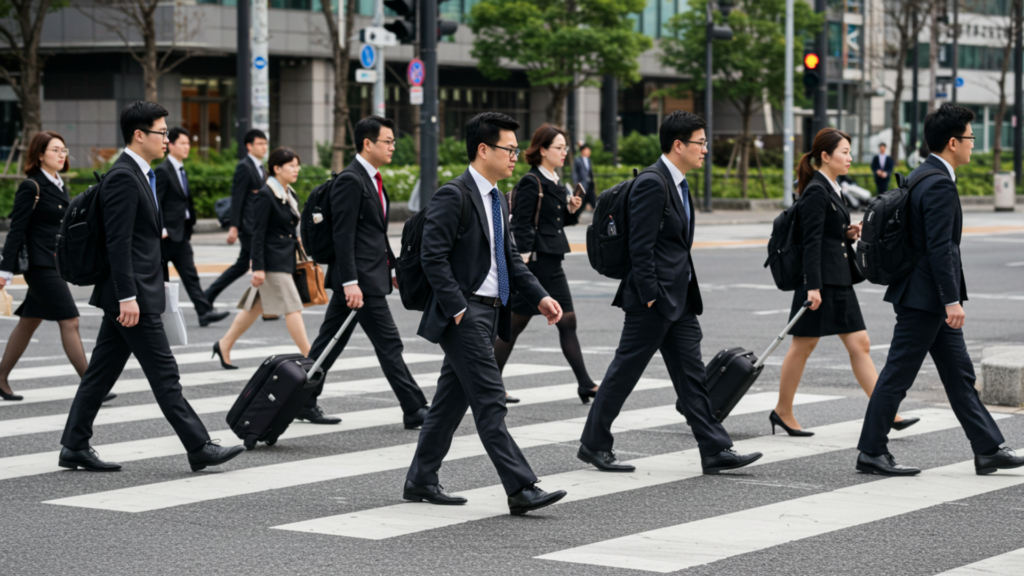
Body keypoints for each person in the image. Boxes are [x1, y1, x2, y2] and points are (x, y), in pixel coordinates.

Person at [59, 101, 244, 472]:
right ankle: (198, 445)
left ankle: (74, 445)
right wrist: (128, 296)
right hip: (132, 296)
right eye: (161, 132)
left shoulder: (140, 173)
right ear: (139, 135)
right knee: (165, 373)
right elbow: (118, 242)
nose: (166, 138)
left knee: (100, 374)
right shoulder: (125, 176)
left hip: (134, 292)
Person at [576, 111, 762, 475]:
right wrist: (651, 296)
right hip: (655, 300)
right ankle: (594, 443)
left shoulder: (677, 183)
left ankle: (715, 449)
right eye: (701, 142)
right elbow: (639, 247)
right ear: (679, 145)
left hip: (679, 299)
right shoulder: (652, 182)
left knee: (691, 376)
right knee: (624, 372)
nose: (706, 149)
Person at [404, 112, 568, 516]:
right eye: (509, 149)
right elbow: (432, 256)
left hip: (489, 311)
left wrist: (541, 296)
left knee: (448, 403)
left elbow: (509, 258)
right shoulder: (454, 194)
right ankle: (521, 486)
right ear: (483, 149)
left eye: (515, 150)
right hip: (464, 314)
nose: (515, 156)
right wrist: (457, 308)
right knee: (491, 398)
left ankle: (421, 479)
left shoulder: (495, 198)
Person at [856, 104, 1024, 476]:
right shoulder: (939, 184)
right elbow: (940, 247)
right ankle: (871, 450)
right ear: (952, 142)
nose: (972, 144)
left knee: (959, 374)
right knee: (898, 374)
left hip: (919, 294)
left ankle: (988, 447)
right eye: (969, 137)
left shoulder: (920, 175)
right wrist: (951, 300)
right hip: (926, 299)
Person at [772, 128, 917, 436]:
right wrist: (812, 286)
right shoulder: (815, 190)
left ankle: (886, 411)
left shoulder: (831, 188)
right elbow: (810, 242)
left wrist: (847, 232)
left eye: (850, 152)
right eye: (844, 152)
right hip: (820, 282)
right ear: (825, 156)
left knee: (859, 344)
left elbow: (825, 233)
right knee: (803, 345)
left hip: (836, 279)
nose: (850, 158)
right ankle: (783, 411)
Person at [299, 116, 429, 428]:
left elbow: (374, 233)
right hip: (360, 282)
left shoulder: (371, 179)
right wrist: (350, 282)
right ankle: (414, 408)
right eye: (388, 141)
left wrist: (392, 267)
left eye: (393, 141)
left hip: (370, 275)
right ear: (367, 143)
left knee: (329, 342)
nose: (393, 147)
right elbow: (343, 235)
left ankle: (302, 398)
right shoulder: (351, 179)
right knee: (389, 344)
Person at [0, 132, 113, 404]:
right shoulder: (32, 186)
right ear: (40, 155)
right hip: (39, 265)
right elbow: (16, 230)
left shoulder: (59, 184)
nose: (62, 155)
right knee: (70, 319)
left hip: (53, 263)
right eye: (55, 150)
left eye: (64, 150)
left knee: (29, 323)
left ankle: (0, 377)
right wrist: (4, 271)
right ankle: (91, 385)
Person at [494, 123, 597, 404]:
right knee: (513, 326)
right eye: (559, 148)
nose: (564, 153)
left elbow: (555, 222)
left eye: (565, 148)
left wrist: (571, 211)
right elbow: (524, 224)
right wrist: (523, 261)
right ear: (542, 150)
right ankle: (490, 384)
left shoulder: (555, 180)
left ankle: (585, 384)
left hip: (553, 261)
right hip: (535, 264)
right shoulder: (532, 181)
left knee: (568, 321)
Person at [213, 148, 311, 368]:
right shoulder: (266, 195)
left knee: (255, 306)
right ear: (276, 169)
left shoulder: (289, 193)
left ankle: (224, 344)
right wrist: (257, 266)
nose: (297, 169)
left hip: (286, 258)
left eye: (297, 165)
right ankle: (311, 356)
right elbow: (258, 233)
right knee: (292, 306)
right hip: (271, 260)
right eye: (292, 165)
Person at [155, 127, 229, 327]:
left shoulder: (180, 169)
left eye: (188, 144)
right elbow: (155, 202)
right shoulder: (162, 171)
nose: (187, 147)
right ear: (170, 145)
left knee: (190, 275)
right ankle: (152, 316)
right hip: (166, 235)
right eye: (183, 143)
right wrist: (161, 229)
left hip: (181, 233)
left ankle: (204, 312)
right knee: (158, 277)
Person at [204, 129, 268, 306]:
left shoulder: (261, 167)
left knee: (242, 265)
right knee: (261, 263)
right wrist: (234, 226)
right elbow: (237, 198)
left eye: (265, 143)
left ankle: (208, 295)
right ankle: (265, 306)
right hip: (248, 226)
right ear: (249, 146)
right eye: (260, 144)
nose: (264, 147)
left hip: (255, 224)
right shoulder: (245, 166)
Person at [573, 143, 596, 210]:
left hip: (589, 184)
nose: (589, 152)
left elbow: (590, 172)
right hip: (582, 184)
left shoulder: (589, 160)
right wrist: (576, 183)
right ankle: (575, 216)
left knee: (593, 201)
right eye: (587, 150)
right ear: (582, 151)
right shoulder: (577, 160)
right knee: (582, 202)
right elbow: (574, 172)